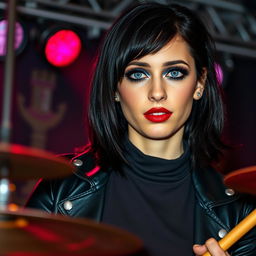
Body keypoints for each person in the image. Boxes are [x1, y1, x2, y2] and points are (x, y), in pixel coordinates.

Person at [26, 3, 256, 256]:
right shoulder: (61, 188)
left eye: (174, 73)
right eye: (138, 74)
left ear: (199, 83)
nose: (157, 93)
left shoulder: (238, 213)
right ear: (115, 87)